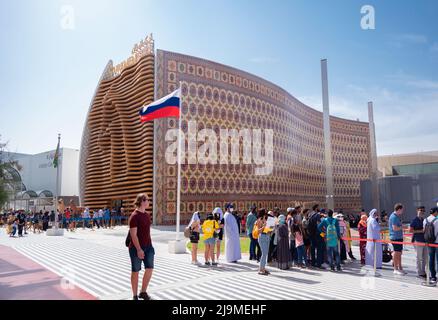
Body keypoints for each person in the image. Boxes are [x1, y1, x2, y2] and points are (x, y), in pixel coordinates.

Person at [128, 193, 154, 300]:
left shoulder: (147, 215)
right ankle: (135, 295)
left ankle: (143, 292)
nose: (148, 202)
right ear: (142, 201)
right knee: (136, 271)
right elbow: (133, 235)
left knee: (149, 269)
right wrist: (139, 249)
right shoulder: (134, 216)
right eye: (147, 200)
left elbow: (147, 232)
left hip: (148, 247)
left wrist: (150, 246)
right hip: (136, 248)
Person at [409, 206, 427, 278]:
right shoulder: (414, 220)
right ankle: (419, 272)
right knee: (419, 257)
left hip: (424, 240)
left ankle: (423, 271)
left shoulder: (423, 220)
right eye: (421, 210)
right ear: (417, 211)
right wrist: (420, 231)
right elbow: (410, 230)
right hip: (417, 240)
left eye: (423, 211)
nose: (422, 212)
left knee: (425, 257)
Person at [389, 203, 406, 275]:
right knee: (396, 253)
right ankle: (395, 268)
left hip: (398, 237)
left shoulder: (396, 216)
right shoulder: (394, 217)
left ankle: (400, 268)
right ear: (398, 209)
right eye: (402, 209)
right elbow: (395, 228)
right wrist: (402, 227)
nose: (402, 211)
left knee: (399, 253)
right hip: (395, 237)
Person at [308, 204, 325, 269]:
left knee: (312, 249)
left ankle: (313, 263)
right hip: (318, 235)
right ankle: (318, 264)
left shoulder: (310, 215)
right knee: (319, 249)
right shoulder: (317, 215)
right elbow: (319, 227)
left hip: (312, 235)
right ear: (316, 208)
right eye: (318, 207)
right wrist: (323, 235)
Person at [423, 207, 438, 282]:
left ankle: (433, 276)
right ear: (435, 212)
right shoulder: (437, 220)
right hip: (436, 242)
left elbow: (424, 230)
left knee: (431, 259)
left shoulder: (425, 220)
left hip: (429, 242)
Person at [256, 209, 271, 275]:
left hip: (267, 236)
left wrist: (270, 228)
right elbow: (258, 231)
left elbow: (267, 230)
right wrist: (264, 225)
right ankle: (260, 269)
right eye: (265, 212)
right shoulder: (259, 220)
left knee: (266, 254)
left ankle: (263, 268)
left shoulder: (265, 220)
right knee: (264, 254)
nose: (266, 213)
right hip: (262, 237)